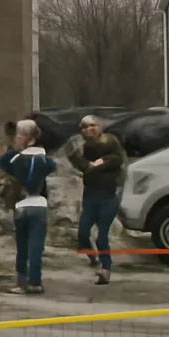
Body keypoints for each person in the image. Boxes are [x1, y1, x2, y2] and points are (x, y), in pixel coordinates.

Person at [0, 120, 57, 295]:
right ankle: (35, 282)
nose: (17, 138)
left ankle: (21, 282)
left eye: (19, 135)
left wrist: (16, 151)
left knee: (22, 246)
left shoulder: (16, 158)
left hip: (21, 205)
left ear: (28, 139)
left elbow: (2, 163)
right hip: (39, 205)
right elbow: (51, 167)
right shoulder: (44, 160)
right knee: (36, 247)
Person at [69, 115, 126, 285]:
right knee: (83, 233)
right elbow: (82, 166)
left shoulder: (110, 141)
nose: (89, 129)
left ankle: (105, 269)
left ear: (99, 126)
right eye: (85, 127)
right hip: (91, 195)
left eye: (92, 125)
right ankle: (92, 257)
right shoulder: (82, 147)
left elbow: (118, 159)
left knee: (102, 236)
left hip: (109, 196)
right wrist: (87, 164)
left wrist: (99, 164)